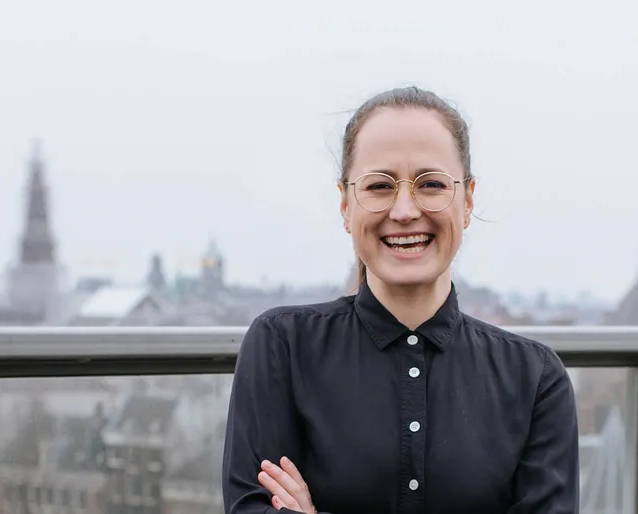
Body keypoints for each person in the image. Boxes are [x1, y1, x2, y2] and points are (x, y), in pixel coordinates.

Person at [222, 86, 579, 514]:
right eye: (379, 186)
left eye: (430, 184)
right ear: (345, 204)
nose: (405, 210)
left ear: (466, 200)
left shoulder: (535, 380)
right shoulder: (282, 347)